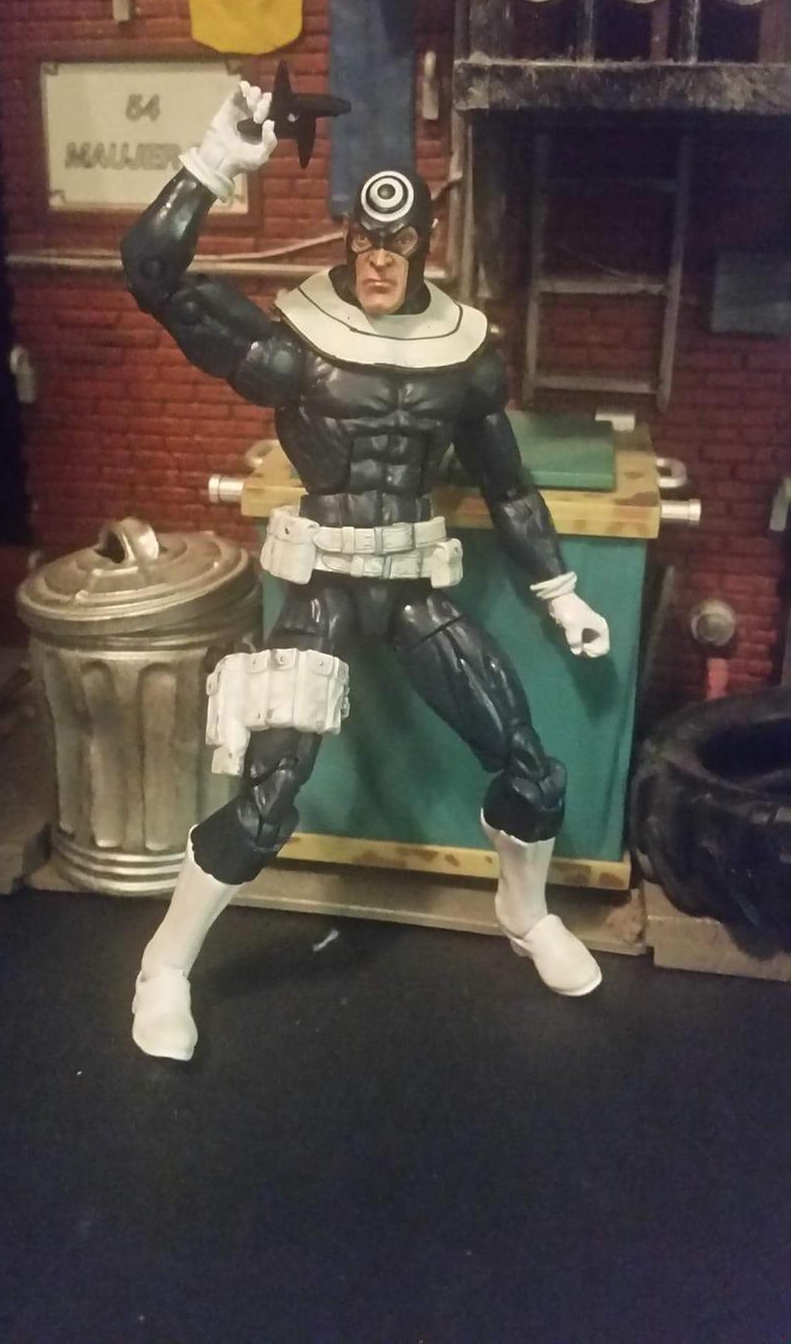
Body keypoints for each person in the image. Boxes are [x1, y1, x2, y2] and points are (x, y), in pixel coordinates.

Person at [121, 82, 610, 1062]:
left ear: (424, 245)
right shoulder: (297, 351)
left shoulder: (464, 358)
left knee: (531, 767)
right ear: (347, 241)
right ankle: (163, 966)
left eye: (397, 245)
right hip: (326, 589)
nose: (378, 262)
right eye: (363, 242)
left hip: (415, 590)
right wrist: (217, 158)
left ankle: (525, 916)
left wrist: (560, 593)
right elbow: (153, 273)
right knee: (269, 799)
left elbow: (508, 487)